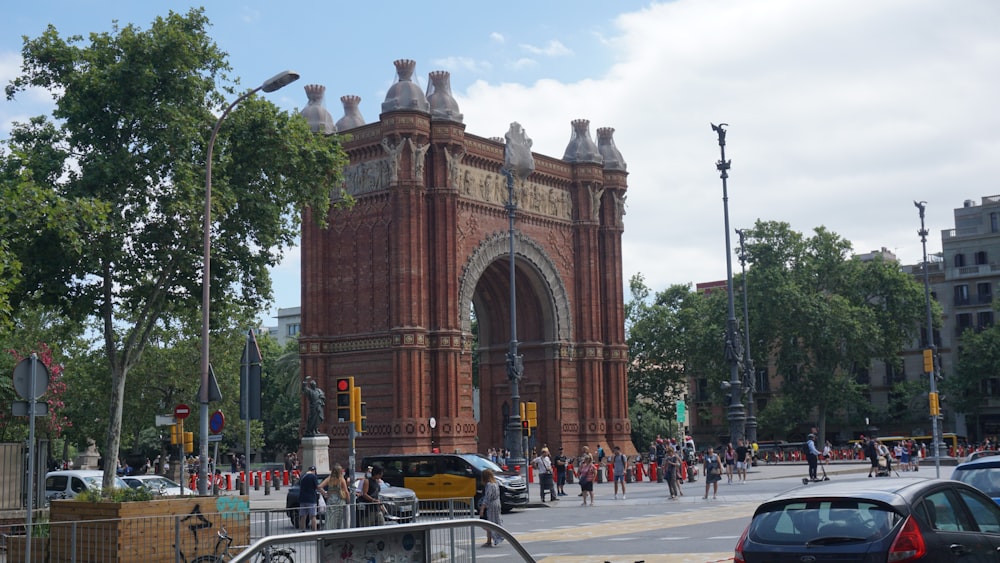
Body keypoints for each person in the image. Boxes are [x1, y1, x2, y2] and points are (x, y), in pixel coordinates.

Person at [319, 463, 350, 529]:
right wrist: (348, 500)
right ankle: (339, 532)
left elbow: (319, 487)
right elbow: (346, 491)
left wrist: (325, 493)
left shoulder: (329, 479)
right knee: (340, 519)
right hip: (340, 500)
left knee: (330, 518)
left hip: (331, 499)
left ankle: (329, 531)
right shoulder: (341, 480)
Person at [478, 468, 503, 547]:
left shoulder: (489, 485)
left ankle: (493, 538)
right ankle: (489, 540)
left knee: (487, 522)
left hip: (490, 505)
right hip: (497, 503)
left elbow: (487, 497)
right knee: (493, 521)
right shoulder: (496, 483)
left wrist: (482, 508)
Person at [298, 466, 320, 531]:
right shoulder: (313, 477)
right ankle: (314, 531)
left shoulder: (302, 476)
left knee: (303, 516)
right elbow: (317, 487)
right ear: (314, 471)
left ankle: (302, 531)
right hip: (311, 499)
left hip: (302, 499)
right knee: (313, 516)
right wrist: (324, 493)